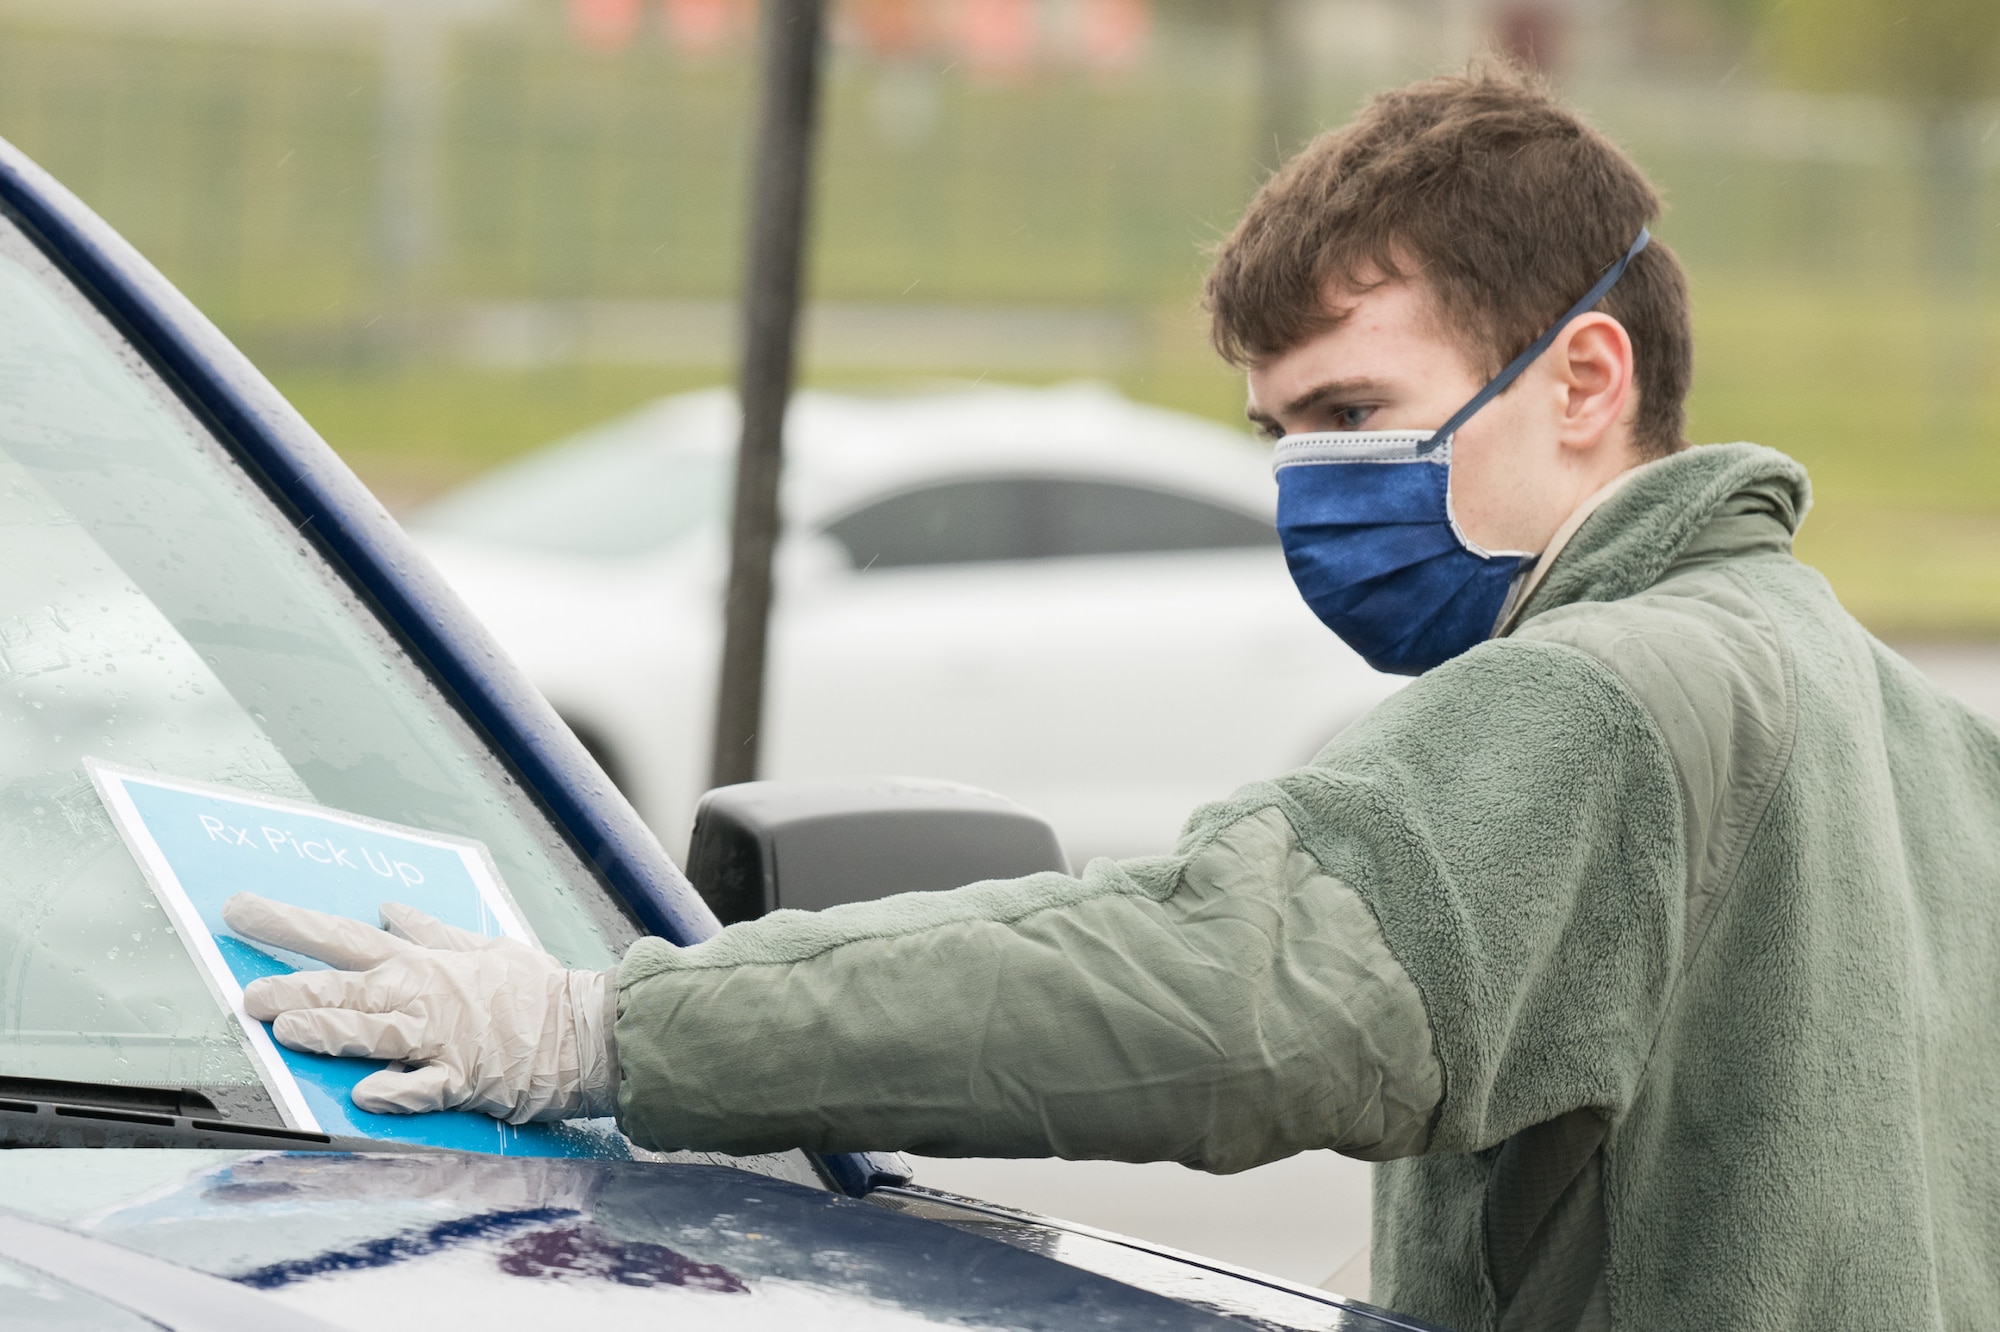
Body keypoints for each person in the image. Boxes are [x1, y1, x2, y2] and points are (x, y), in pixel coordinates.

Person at [223, 64, 2000, 1332]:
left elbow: (1215, 987)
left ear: (1586, 377)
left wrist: (607, 1030)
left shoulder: (1604, 705)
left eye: (1353, 416)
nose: (1311, 487)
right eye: (1280, 437)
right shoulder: (1916, 727)